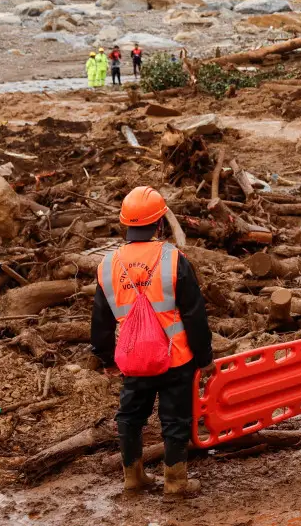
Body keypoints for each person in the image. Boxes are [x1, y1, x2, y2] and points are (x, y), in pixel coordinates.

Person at [91, 187, 212, 496]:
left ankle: (133, 477)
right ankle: (175, 482)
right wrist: (204, 357)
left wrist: (106, 359)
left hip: (133, 360)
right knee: (175, 419)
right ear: (160, 223)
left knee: (130, 417)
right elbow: (195, 314)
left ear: (125, 225)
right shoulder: (173, 259)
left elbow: (100, 320)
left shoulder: (108, 266)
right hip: (176, 358)